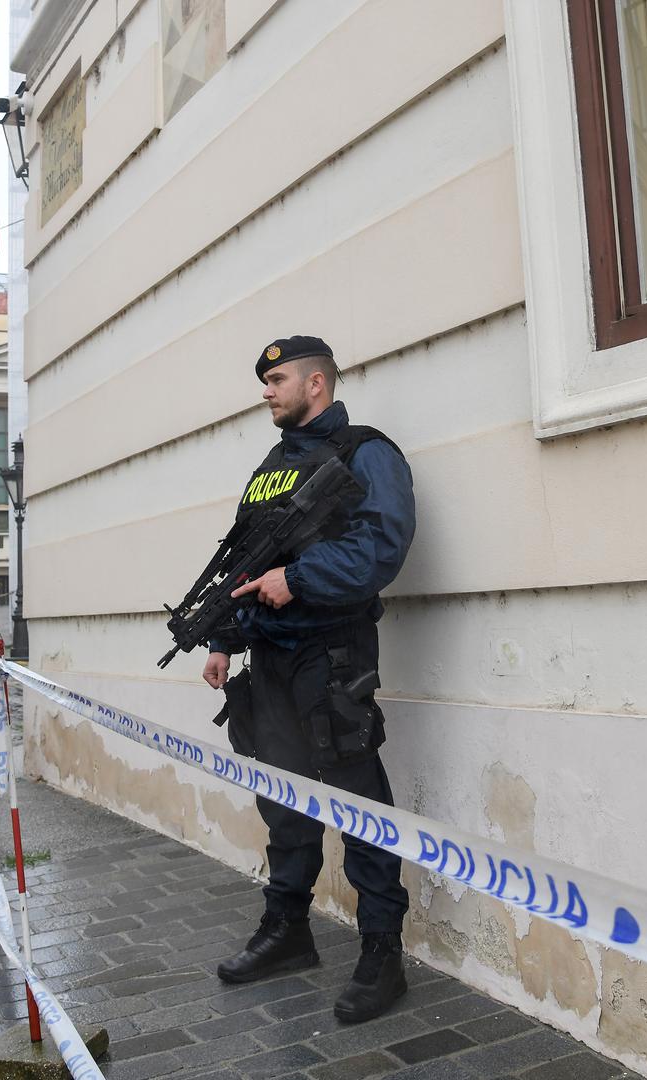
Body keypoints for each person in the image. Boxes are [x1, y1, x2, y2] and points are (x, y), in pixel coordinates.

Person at [203, 335, 415, 1024]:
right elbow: (242, 559)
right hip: (268, 659)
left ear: (316, 383)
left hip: (331, 654)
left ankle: (382, 952)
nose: (265, 389)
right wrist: (220, 638)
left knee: (357, 803)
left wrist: (296, 579)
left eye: (277, 378)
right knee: (283, 804)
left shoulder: (364, 452)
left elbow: (380, 547)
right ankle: (286, 930)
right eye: (264, 379)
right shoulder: (270, 466)